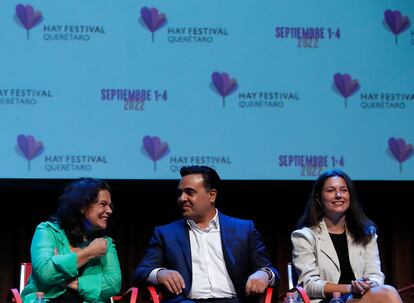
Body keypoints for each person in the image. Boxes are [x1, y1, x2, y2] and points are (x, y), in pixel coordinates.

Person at [134, 165, 279, 303]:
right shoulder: (166, 233)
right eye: (180, 193)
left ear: (212, 196)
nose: (182, 198)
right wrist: (160, 273)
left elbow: (270, 270)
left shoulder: (244, 228)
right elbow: (140, 272)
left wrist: (264, 274)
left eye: (189, 192)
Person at [291, 169, 402, 303]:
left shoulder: (366, 234)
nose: (338, 195)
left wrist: (366, 285)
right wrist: (350, 288)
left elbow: (375, 275)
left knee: (386, 292)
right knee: (388, 293)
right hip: (327, 300)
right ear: (319, 198)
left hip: (361, 297)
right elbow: (309, 284)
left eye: (343, 190)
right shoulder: (304, 237)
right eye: (330, 190)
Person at [21, 178, 121, 303]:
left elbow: (114, 284)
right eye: (103, 204)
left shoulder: (105, 243)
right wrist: (89, 253)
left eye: (110, 205)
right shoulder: (48, 231)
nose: (110, 210)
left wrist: (69, 282)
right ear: (82, 206)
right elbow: (45, 272)